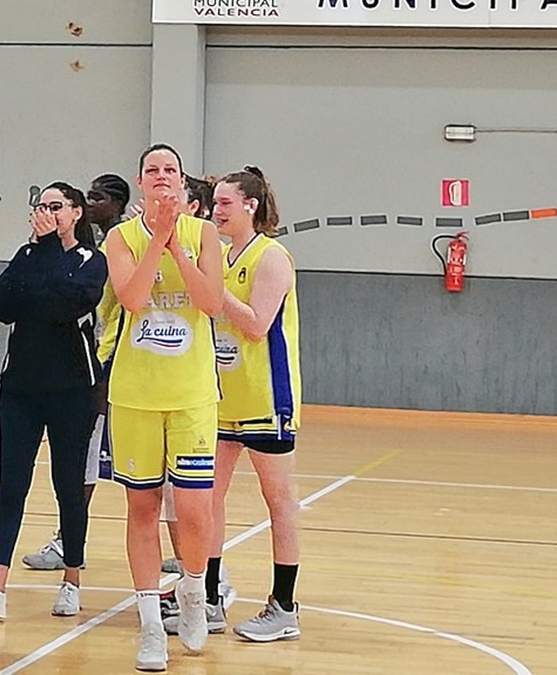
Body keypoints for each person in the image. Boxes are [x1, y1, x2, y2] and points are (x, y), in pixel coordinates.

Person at [0, 182, 106, 621]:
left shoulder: (90, 261)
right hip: (20, 387)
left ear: (77, 213)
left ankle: (72, 578)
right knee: (11, 483)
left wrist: (40, 280)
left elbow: (67, 302)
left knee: (68, 484)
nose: (47, 213)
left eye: (57, 206)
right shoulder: (27, 256)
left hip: (72, 390)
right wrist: (39, 261)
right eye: (41, 206)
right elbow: (3, 305)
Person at [105, 144, 224, 670]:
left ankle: (194, 592)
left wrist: (178, 247)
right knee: (142, 509)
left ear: (181, 183)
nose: (160, 177)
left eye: (169, 171)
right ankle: (151, 625)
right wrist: (156, 239)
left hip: (192, 395)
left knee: (195, 510)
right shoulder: (119, 238)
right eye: (151, 170)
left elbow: (211, 303)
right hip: (134, 396)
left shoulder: (205, 235)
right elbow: (131, 298)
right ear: (140, 181)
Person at [209, 167, 303, 642]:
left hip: (267, 398)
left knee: (278, 500)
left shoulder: (272, 257)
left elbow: (255, 325)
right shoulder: (224, 256)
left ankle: (284, 606)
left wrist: (215, 289)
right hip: (223, 397)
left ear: (250, 205)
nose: (216, 211)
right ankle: (209, 596)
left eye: (225, 203)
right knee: (207, 498)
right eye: (215, 203)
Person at [22, 172, 129, 571]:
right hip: (91, 361)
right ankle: (67, 538)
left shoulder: (121, 245)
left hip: (116, 361)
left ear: (115, 203)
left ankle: (189, 555)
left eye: (98, 197)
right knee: (83, 458)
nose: (91, 202)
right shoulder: (82, 248)